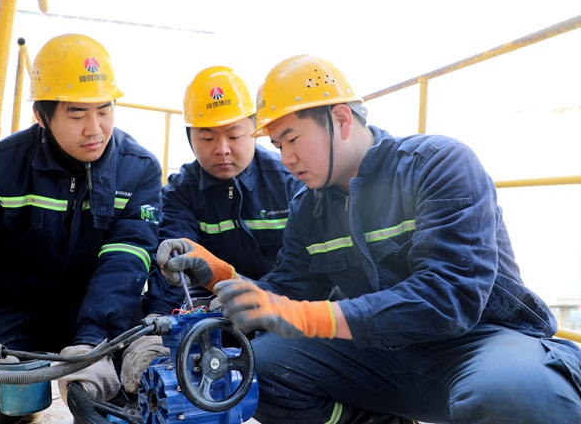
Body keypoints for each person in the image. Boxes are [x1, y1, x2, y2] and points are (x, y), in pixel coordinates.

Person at [156, 55, 581, 423]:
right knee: (258, 370)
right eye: (277, 144)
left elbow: (449, 297)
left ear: (341, 119)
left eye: (292, 139)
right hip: (380, 354)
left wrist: (308, 317)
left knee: (512, 393)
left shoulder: (438, 164)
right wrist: (219, 275)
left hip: (478, 342)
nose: (286, 159)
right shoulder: (309, 205)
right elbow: (287, 292)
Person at [0, 33, 163, 423]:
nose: (95, 129)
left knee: (121, 399)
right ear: (41, 116)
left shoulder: (138, 170)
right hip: (9, 312)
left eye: (104, 110)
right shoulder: (1, 165)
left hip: (91, 312)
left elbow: (126, 261)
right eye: (77, 115)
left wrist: (92, 345)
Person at [118, 66, 304, 394]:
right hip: (214, 312)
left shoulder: (291, 182)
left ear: (254, 130)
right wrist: (160, 329)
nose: (222, 149)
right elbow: (174, 271)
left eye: (234, 135)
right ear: (190, 137)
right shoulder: (181, 192)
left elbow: (304, 273)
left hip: (281, 308)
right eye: (207, 138)